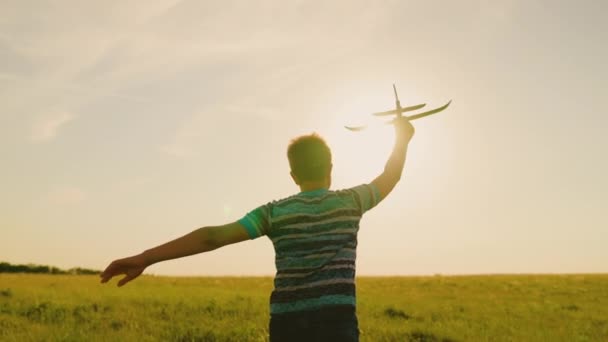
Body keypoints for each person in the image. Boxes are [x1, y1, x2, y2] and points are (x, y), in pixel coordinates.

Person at [100, 117, 415, 341]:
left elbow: (212, 237)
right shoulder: (352, 202)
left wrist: (146, 257)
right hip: (337, 322)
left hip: (288, 325)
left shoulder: (274, 213)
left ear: (293, 174)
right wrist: (402, 138)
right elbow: (390, 176)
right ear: (331, 169)